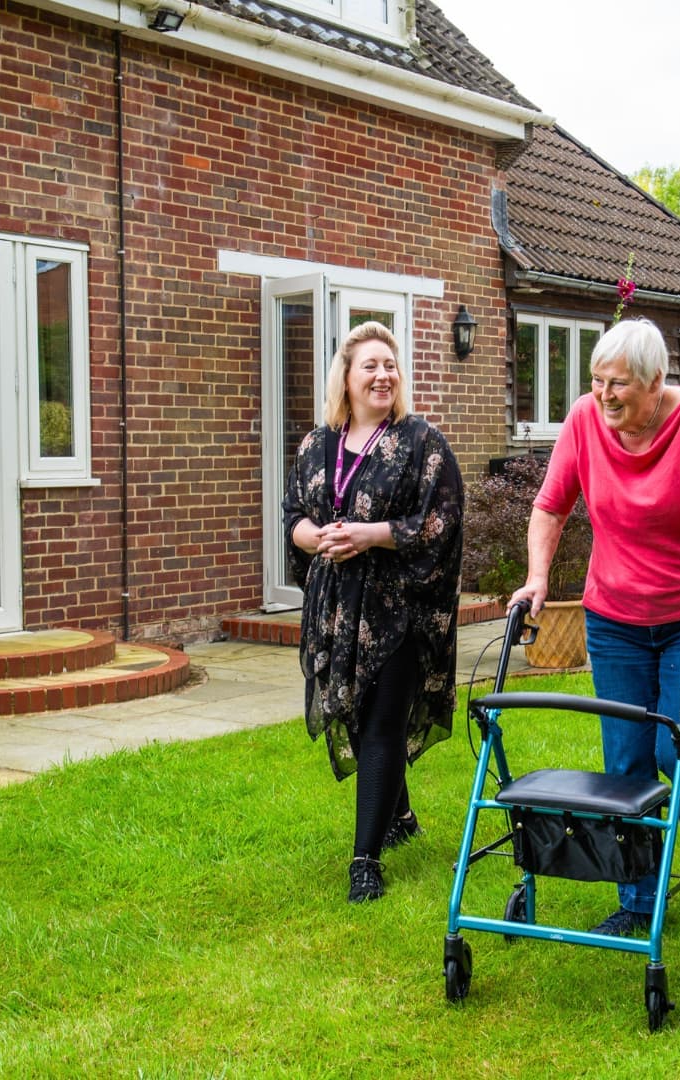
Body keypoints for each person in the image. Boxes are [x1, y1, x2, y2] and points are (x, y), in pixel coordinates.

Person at [509, 317, 680, 936]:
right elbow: (550, 506)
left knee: (678, 746)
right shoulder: (585, 420)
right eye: (596, 381)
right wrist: (537, 579)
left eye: (618, 385)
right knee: (627, 759)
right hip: (613, 618)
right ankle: (638, 901)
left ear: (656, 382)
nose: (603, 395)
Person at [282, 321, 464, 904]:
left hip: (399, 609)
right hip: (336, 609)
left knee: (382, 723)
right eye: (371, 366)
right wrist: (318, 539)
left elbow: (441, 522)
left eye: (391, 365)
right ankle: (402, 815)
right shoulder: (317, 445)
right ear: (347, 377)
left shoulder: (421, 444)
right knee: (355, 719)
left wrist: (373, 534)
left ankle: (365, 860)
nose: (383, 375)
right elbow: (292, 516)